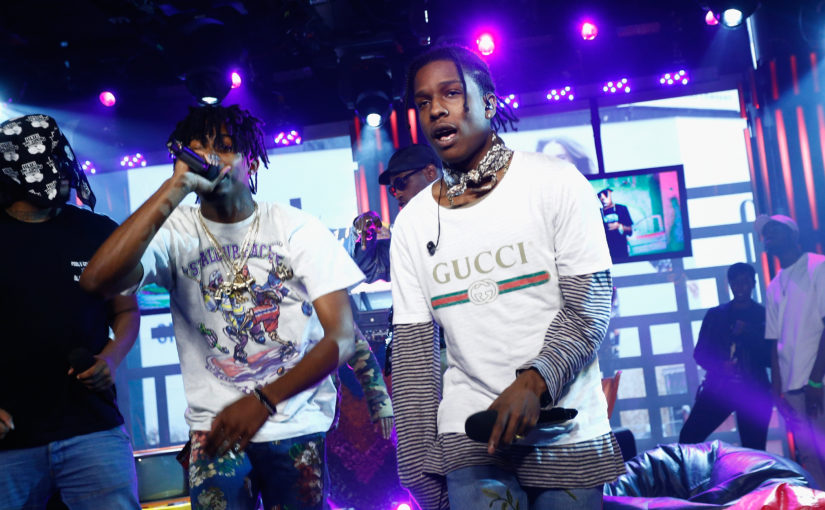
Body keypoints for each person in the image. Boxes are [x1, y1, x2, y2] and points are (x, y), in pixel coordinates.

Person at [80, 104, 365, 510]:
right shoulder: (176, 232)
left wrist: (263, 401)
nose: (214, 159)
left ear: (250, 161)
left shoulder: (295, 226)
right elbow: (96, 281)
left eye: (227, 148)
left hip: (295, 425)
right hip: (214, 432)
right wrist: (173, 188)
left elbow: (341, 338)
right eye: (199, 151)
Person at [390, 45, 625, 510]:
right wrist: (417, 466)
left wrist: (534, 381)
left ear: (489, 102)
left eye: (451, 93)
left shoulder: (556, 182)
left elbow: (589, 307)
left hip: (567, 432)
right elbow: (414, 355)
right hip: (470, 437)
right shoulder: (413, 223)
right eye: (423, 101)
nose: (436, 108)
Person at [0, 114, 141, 509]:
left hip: (91, 428)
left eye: (58, 159)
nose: (55, 172)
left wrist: (111, 360)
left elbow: (126, 311)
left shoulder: (96, 231)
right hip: (9, 441)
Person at [758, 214, 825, 487]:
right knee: (809, 457)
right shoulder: (773, 284)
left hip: (818, 382)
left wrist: (815, 380)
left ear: (793, 235)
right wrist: (777, 392)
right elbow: (774, 342)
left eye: (775, 228)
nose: (768, 233)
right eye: (766, 231)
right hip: (793, 390)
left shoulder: (817, 267)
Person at [679, 262, 772, 449]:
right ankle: (692, 476)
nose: (740, 287)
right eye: (735, 282)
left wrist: (750, 333)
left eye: (745, 282)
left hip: (753, 390)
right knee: (688, 437)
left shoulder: (764, 315)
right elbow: (700, 354)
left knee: (755, 450)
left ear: (753, 283)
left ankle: (751, 479)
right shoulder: (716, 315)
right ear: (729, 284)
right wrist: (721, 366)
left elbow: (772, 358)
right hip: (720, 388)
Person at [597, 187, 633, 260]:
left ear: (610, 195)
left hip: (622, 250)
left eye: (605, 196)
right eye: (601, 198)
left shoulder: (622, 208)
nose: (603, 200)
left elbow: (630, 231)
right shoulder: (597, 213)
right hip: (605, 253)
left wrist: (619, 226)